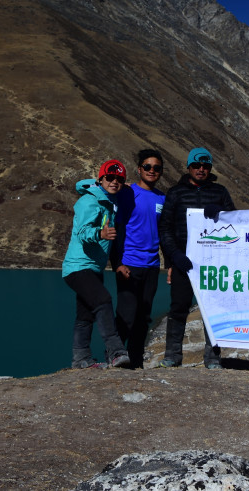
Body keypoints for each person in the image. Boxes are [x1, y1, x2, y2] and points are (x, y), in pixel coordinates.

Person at [158, 147, 235, 369]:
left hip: (212, 264)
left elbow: (234, 221)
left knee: (212, 309)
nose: (201, 169)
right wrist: (174, 256)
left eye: (205, 166)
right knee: (179, 307)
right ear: (189, 167)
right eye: (196, 165)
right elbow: (165, 228)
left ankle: (212, 357)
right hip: (184, 262)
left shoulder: (220, 191)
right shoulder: (175, 193)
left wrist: (220, 212)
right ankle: (172, 355)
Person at [62, 159, 132, 369]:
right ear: (100, 179)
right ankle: (116, 351)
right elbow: (82, 232)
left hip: (93, 267)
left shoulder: (109, 202)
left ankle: (81, 359)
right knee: (103, 300)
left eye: (119, 179)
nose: (114, 182)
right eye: (109, 178)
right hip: (78, 266)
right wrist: (99, 233)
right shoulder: (89, 201)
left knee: (85, 314)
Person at [111, 149, 166, 369]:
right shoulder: (126, 193)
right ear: (139, 169)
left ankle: (135, 361)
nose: (152, 171)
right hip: (129, 264)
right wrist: (117, 263)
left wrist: (169, 264)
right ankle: (114, 356)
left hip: (152, 266)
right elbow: (117, 227)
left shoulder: (162, 197)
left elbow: (164, 231)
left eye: (156, 168)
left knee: (143, 316)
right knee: (126, 314)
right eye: (147, 167)